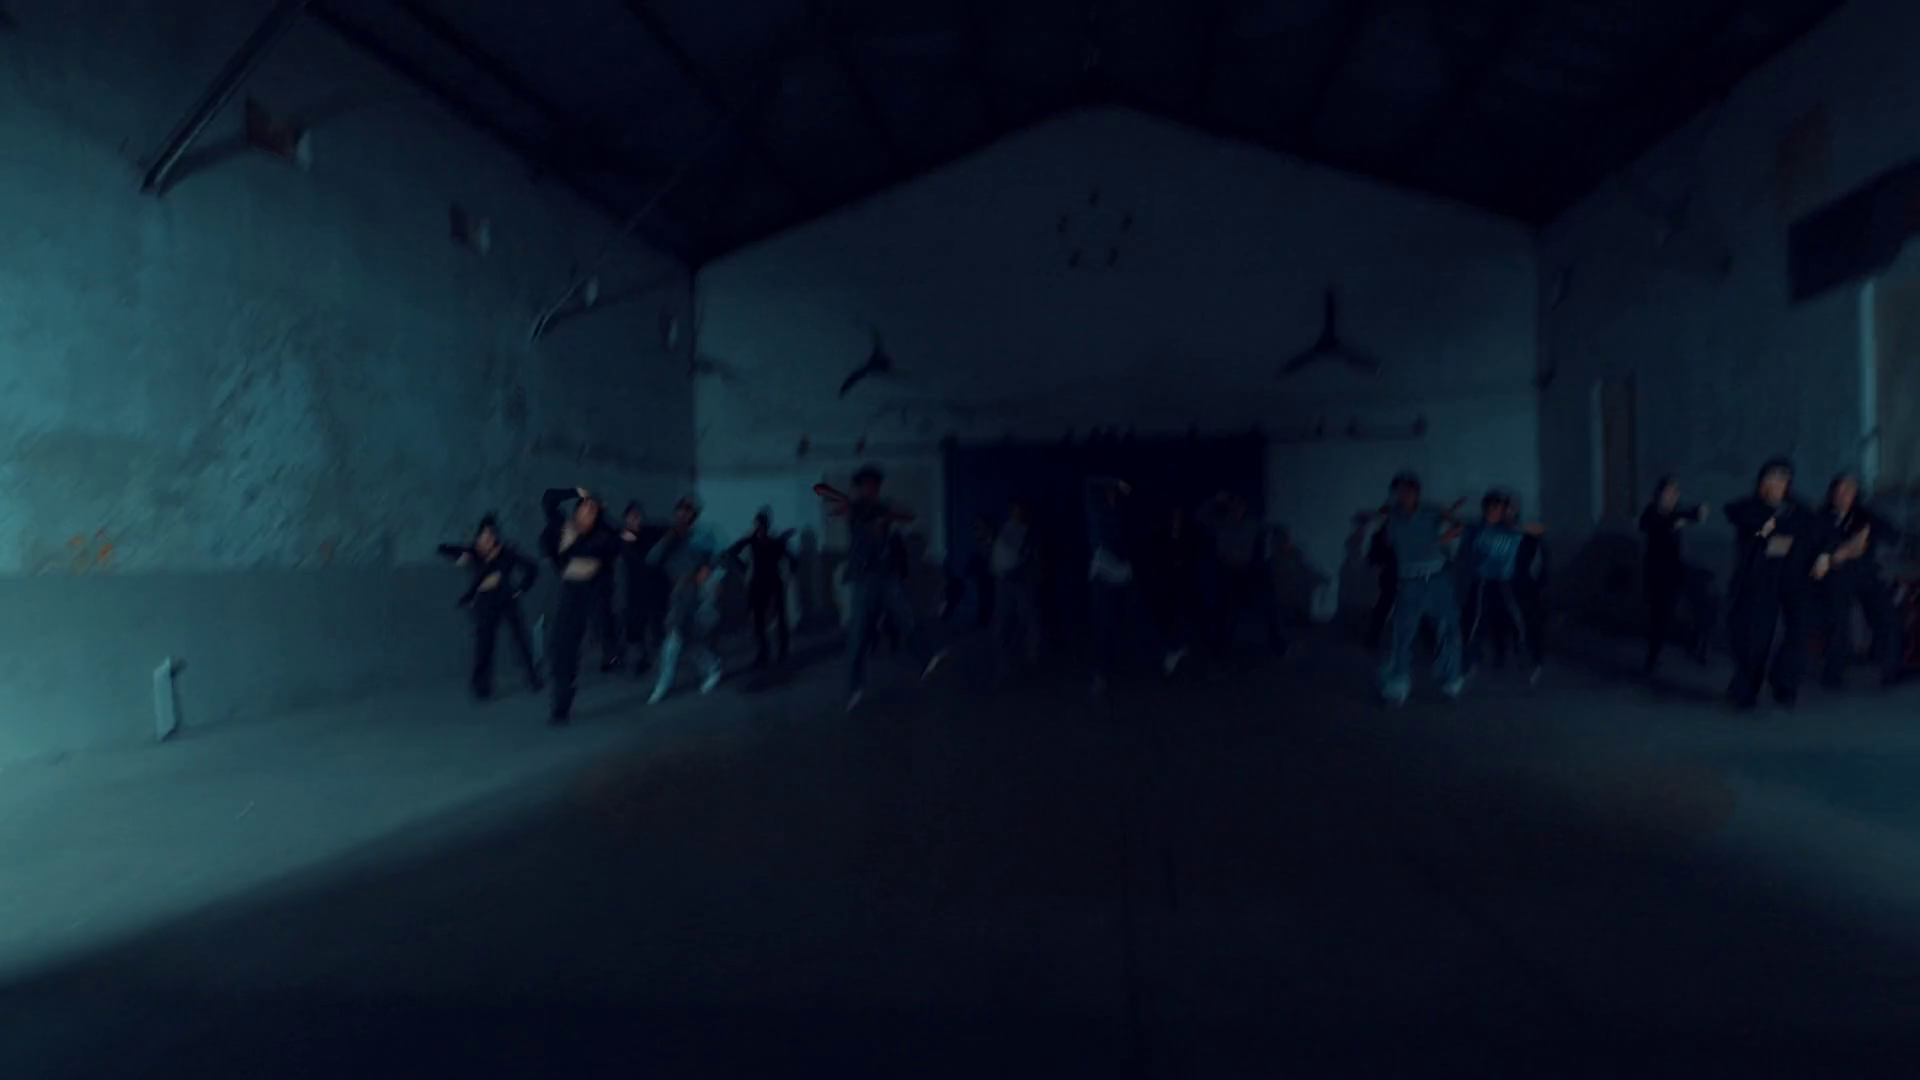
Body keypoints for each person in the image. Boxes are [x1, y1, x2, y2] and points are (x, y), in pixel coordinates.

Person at [816, 465, 945, 710]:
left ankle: (926, 657)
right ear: (861, 487)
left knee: (907, 618)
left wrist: (887, 517)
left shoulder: (882, 508)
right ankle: (855, 687)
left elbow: (907, 517)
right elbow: (827, 497)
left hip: (886, 576)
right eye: (866, 485)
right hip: (865, 578)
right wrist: (851, 507)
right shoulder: (855, 508)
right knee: (858, 634)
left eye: (874, 486)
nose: (870, 489)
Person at [1723, 458, 1828, 710]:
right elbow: (1744, 521)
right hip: (1760, 579)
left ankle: (1784, 683)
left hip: (1794, 577)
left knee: (1801, 628)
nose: (1776, 484)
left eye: (1782, 479)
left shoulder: (1799, 509)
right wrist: (1771, 535)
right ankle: (1745, 691)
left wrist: (1823, 554)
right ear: (1761, 482)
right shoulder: (1747, 508)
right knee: (1755, 636)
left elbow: (1820, 532)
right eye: (1771, 479)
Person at [1359, 472, 1465, 706]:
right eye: (1399, 492)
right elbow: (1375, 524)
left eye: (1407, 491)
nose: (1403, 496)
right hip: (1409, 581)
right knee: (1403, 633)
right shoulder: (1392, 515)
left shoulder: (1431, 510)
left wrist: (1443, 538)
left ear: (1416, 493)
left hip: (1437, 578)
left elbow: (1458, 524)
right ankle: (1398, 681)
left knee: (1448, 630)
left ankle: (1451, 680)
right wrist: (1371, 524)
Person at [437, 514, 542, 700]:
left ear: (495, 537)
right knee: (484, 644)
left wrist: (521, 589)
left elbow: (531, 568)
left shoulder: (506, 553)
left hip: (506, 601)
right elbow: (448, 550)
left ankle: (533, 678)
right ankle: (482, 687)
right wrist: (454, 554)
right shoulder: (474, 553)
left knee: (520, 641)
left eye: (490, 535)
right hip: (485, 603)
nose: (487, 539)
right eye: (483, 535)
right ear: (479, 537)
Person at [539, 487, 620, 725]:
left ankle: (611, 652)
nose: (586, 515)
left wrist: (603, 511)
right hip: (568, 593)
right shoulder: (562, 526)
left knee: (583, 637)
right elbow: (549, 499)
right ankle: (561, 703)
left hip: (590, 595)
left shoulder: (600, 538)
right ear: (576, 511)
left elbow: (615, 539)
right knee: (560, 648)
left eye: (592, 512)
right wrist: (575, 491)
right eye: (583, 509)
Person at [1816, 472, 1901, 689]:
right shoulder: (1821, 517)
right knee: (1838, 622)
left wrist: (1870, 534)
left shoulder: (1865, 516)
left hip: (1865, 574)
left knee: (1886, 617)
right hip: (1836, 576)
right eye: (1841, 489)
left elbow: (1892, 535)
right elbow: (1817, 548)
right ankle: (1833, 674)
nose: (1844, 494)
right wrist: (1841, 550)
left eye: (1850, 490)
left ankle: (1890, 669)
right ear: (1833, 492)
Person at [646, 496, 727, 704]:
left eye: (687, 511)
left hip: (697, 592)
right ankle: (706, 669)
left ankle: (708, 669)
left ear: (693, 515)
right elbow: (652, 559)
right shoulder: (671, 536)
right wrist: (667, 540)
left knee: (684, 638)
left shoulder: (702, 536)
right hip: (678, 593)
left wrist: (709, 571)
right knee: (679, 638)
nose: (682, 515)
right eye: (680, 511)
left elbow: (719, 560)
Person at [1638, 476, 1715, 674]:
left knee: (1702, 600)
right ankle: (1652, 659)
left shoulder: (1674, 513)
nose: (1672, 497)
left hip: (1675, 569)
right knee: (1660, 616)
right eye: (1669, 492)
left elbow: (1689, 515)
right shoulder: (1651, 513)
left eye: (1675, 493)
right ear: (1659, 494)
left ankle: (1696, 646)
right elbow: (1650, 524)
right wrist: (1677, 521)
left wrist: (1698, 513)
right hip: (1657, 572)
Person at [1201, 492, 1288, 660]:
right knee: (1225, 610)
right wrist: (1214, 500)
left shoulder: (1252, 523)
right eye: (1234, 505)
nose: (1237, 509)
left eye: (1240, 506)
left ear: (1244, 507)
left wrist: (1282, 541)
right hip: (1227, 570)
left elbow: (1275, 528)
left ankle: (1279, 645)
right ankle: (1218, 647)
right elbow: (1201, 517)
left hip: (1247, 570)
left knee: (1267, 602)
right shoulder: (1221, 522)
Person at [728, 509, 797, 667]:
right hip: (760, 582)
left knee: (779, 617)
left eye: (762, 525)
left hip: (772, 581)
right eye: (759, 525)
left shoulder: (772, 542)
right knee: (759, 620)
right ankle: (764, 652)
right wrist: (742, 568)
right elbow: (732, 552)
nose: (760, 528)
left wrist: (789, 572)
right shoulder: (753, 540)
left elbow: (792, 559)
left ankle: (780, 652)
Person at [989, 499, 1042, 677]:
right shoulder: (1006, 528)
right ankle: (1004, 662)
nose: (1016, 513)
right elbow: (1000, 552)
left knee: (1027, 619)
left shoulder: (1029, 532)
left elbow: (1030, 556)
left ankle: (1030, 660)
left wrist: (1021, 571)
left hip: (1021, 581)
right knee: (1003, 621)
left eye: (1019, 510)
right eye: (1014, 510)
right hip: (1004, 580)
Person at [1148, 505, 1203, 674]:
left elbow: (1190, 557)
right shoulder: (1160, 535)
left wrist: (1181, 564)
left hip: (1183, 584)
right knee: (1165, 615)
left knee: (1181, 612)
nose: (1177, 521)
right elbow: (1159, 559)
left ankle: (1177, 651)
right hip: (1165, 583)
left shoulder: (1188, 536)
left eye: (1180, 517)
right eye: (1175, 516)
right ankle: (1168, 652)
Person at [616, 502, 669, 677]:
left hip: (653, 589)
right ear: (626, 519)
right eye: (632, 517)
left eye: (638, 517)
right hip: (635, 590)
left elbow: (666, 532)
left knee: (657, 626)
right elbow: (635, 557)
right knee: (635, 629)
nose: (635, 520)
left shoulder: (648, 533)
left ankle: (661, 662)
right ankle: (639, 661)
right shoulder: (625, 538)